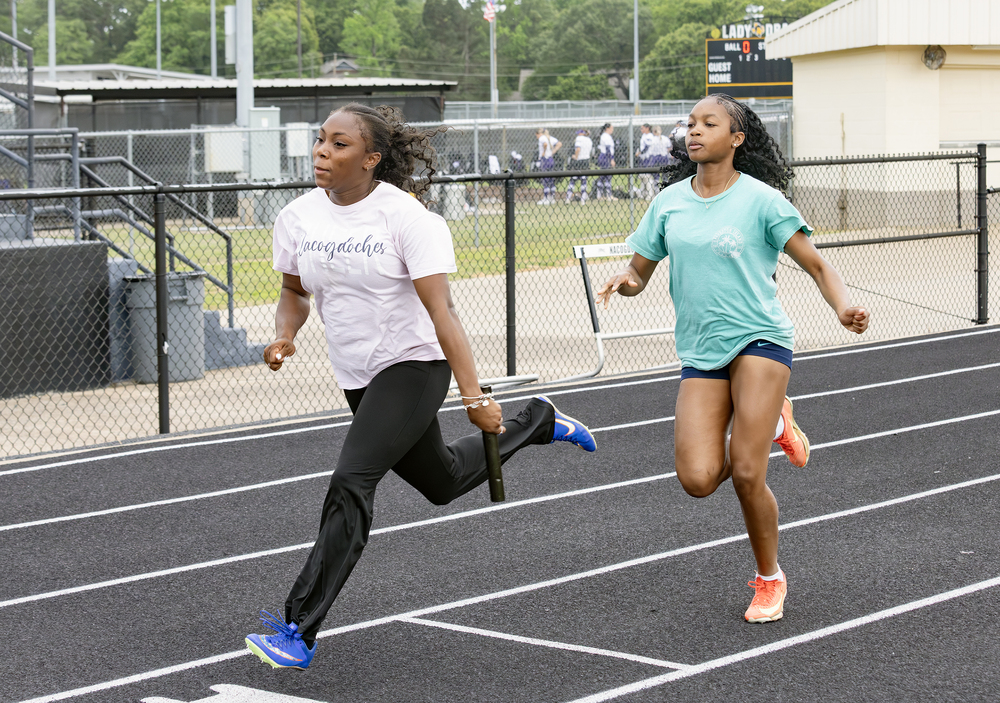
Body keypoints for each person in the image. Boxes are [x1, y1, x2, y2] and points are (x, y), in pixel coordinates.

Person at [245, 103, 598, 670]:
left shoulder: (407, 218)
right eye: (320, 141)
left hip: (414, 365)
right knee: (443, 481)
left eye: (339, 145)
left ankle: (298, 628)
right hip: (358, 374)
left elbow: (445, 312)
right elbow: (294, 291)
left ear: (372, 159)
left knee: (352, 481)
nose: (321, 153)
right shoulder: (297, 217)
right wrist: (285, 334)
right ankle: (539, 421)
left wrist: (476, 397)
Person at [595, 93, 869, 624]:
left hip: (760, 339)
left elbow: (816, 265)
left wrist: (844, 307)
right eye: (691, 123)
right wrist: (623, 282)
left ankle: (770, 578)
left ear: (736, 138)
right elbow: (639, 274)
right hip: (701, 350)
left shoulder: (763, 201)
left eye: (708, 123)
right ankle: (775, 419)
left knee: (746, 472)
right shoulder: (669, 203)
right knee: (698, 479)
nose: (694, 131)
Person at [565, 129, 593, 203]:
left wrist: (576, 156)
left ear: (581, 133)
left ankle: (568, 198)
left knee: (573, 180)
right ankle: (583, 199)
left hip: (578, 161)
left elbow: (578, 149)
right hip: (586, 161)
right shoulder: (589, 140)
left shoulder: (579, 139)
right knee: (584, 181)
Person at [535, 127, 561, 205]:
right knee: (551, 179)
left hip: (545, 159)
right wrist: (553, 152)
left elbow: (545, 144)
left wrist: (543, 152)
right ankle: (551, 197)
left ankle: (546, 198)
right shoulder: (549, 137)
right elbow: (559, 144)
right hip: (550, 159)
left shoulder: (542, 138)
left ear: (538, 134)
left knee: (545, 178)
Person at [595, 123, 617, 200]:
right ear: (607, 128)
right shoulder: (605, 136)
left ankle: (601, 195)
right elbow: (608, 149)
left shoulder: (607, 136)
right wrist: (611, 159)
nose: (612, 130)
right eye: (611, 128)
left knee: (604, 176)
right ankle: (607, 195)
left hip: (605, 157)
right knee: (606, 176)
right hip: (605, 157)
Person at [635, 123, 655, 199]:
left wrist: (640, 152)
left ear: (647, 128)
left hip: (648, 158)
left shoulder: (650, 136)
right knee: (642, 177)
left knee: (647, 176)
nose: (641, 130)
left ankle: (650, 194)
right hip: (643, 158)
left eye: (642, 128)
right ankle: (643, 194)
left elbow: (647, 147)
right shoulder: (644, 136)